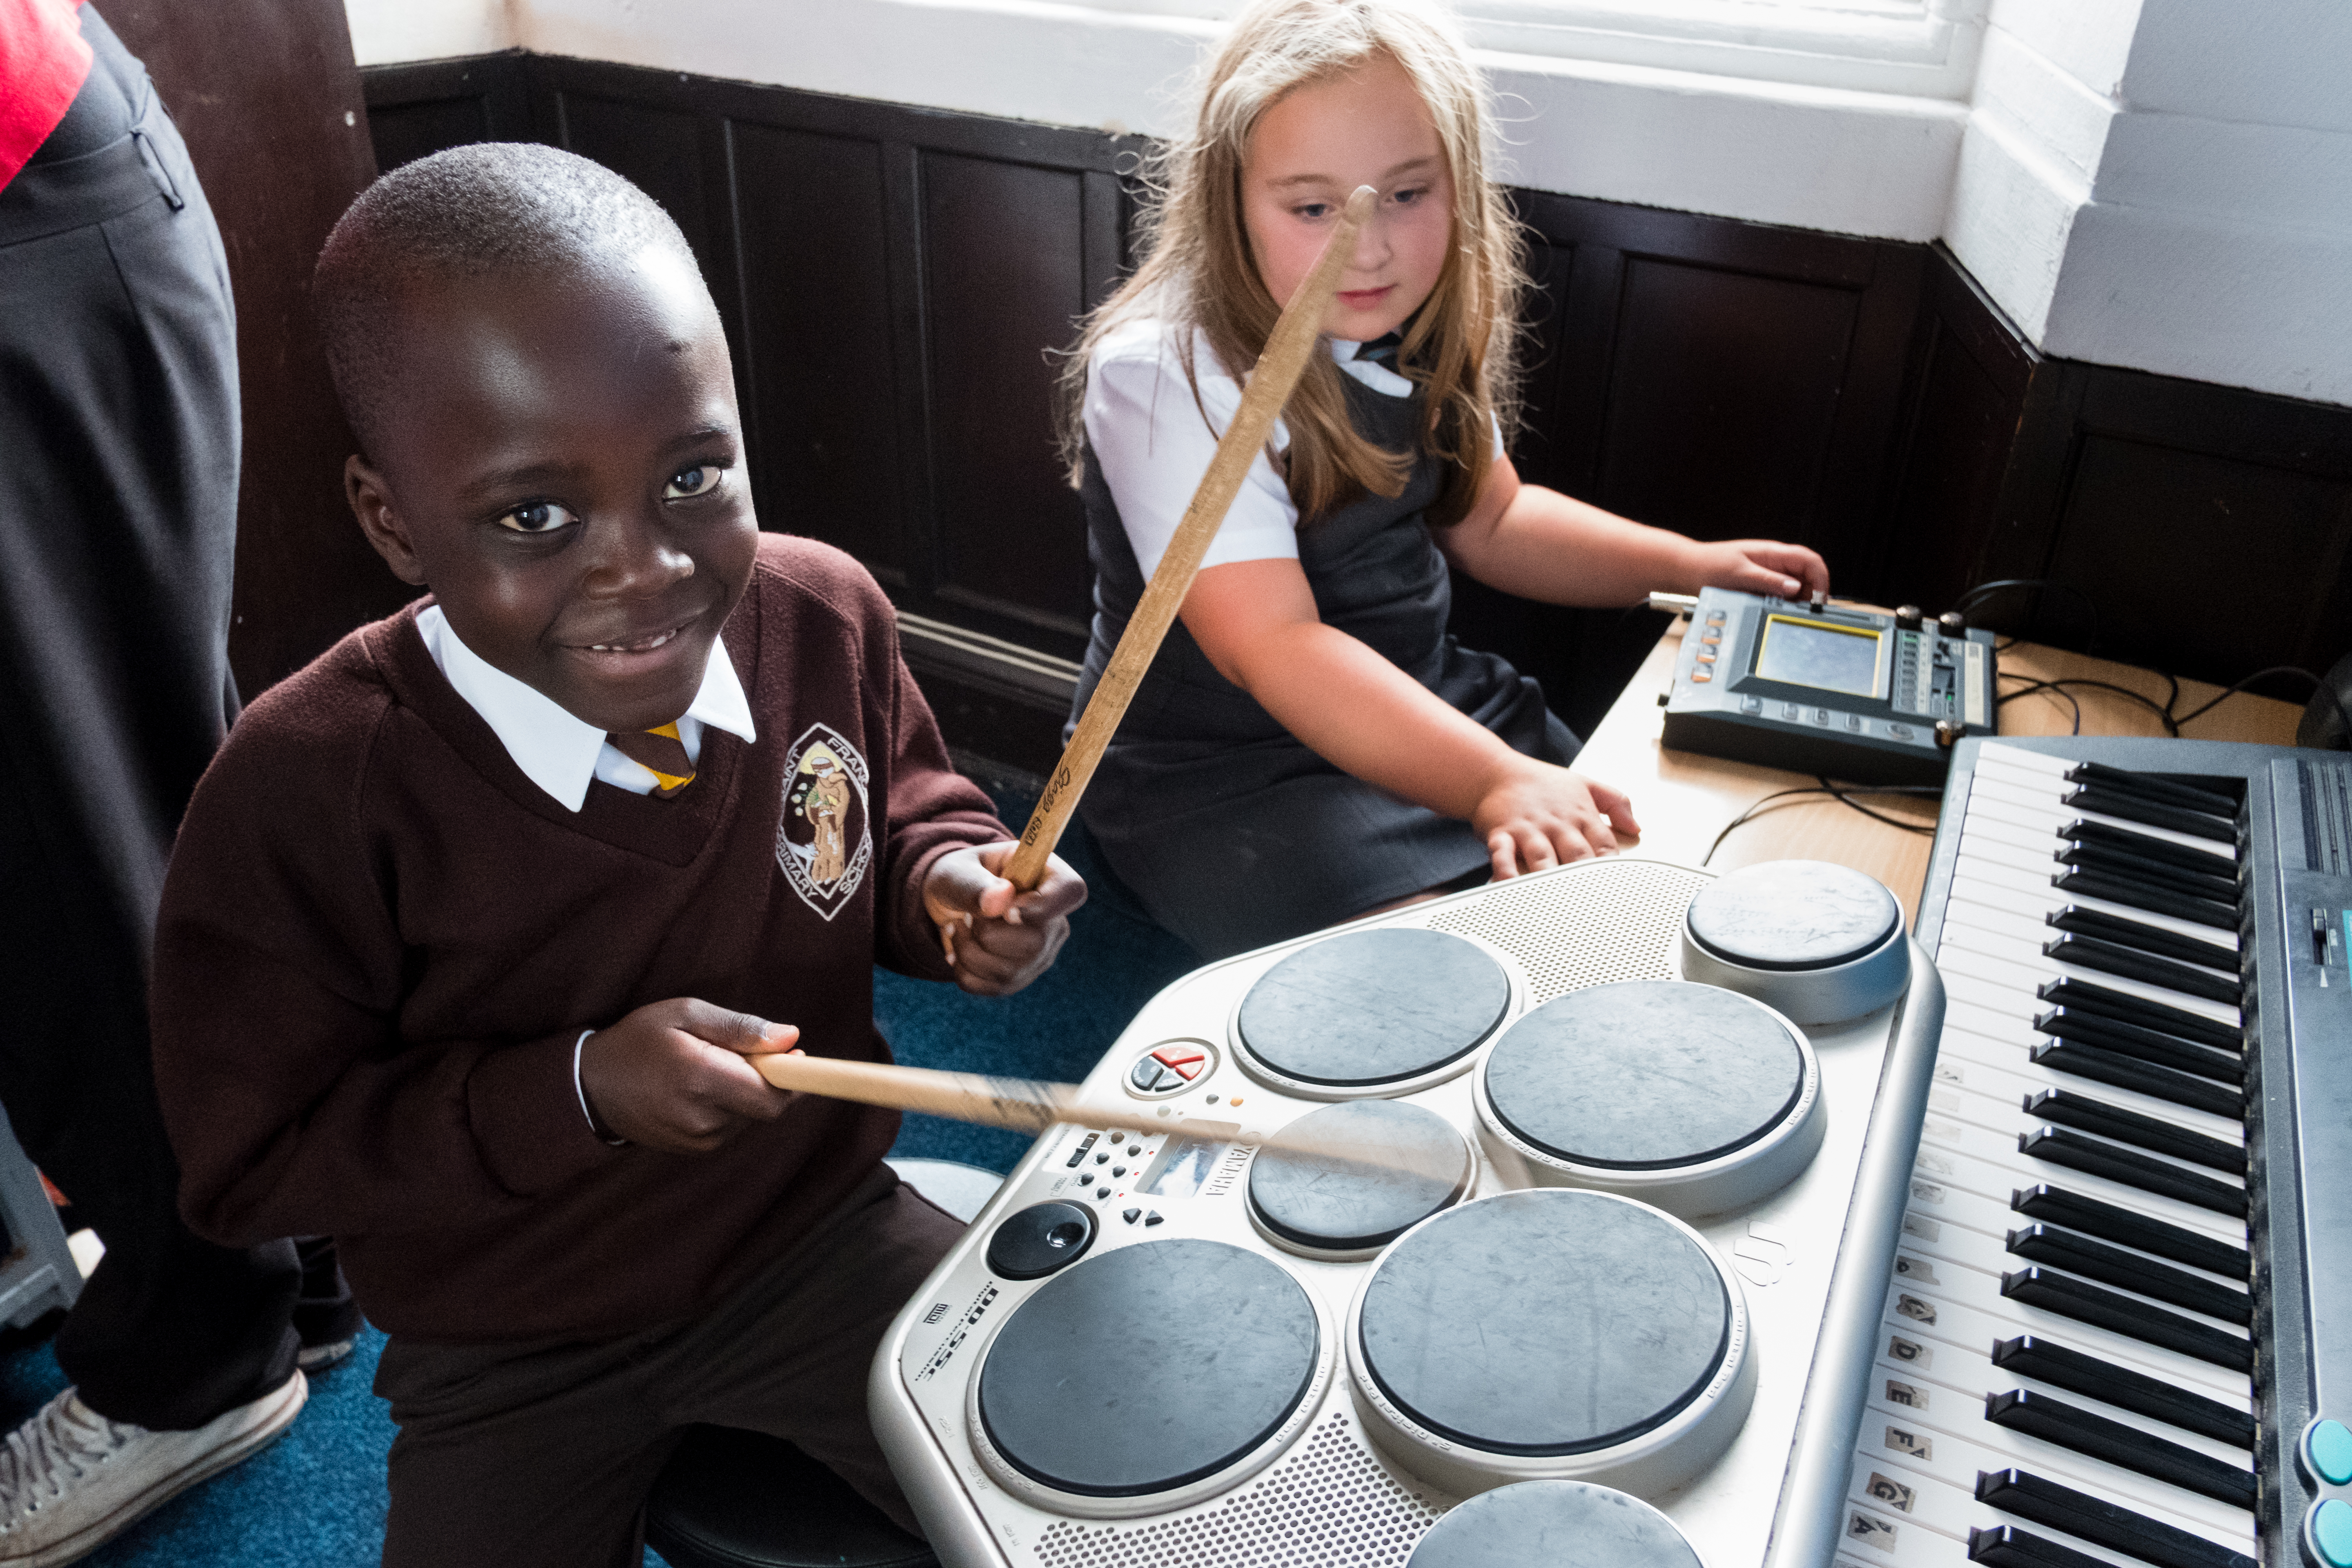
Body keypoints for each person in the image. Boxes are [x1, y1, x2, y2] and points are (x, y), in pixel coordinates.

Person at [146, 142, 1085, 1567]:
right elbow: (249, 1166)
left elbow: (891, 818)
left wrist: (950, 888)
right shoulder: (301, 790)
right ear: (394, 522)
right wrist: (578, 1093)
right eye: (537, 515)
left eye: (695, 474)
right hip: (514, 1343)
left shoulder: (820, 617)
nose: (646, 568)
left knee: (1105, 1482)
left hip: (816, 1243)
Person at [1060, 0, 1830, 959]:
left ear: (1459, 186)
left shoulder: (1408, 330)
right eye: (1314, 209)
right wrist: (1490, 782)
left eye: (1407, 195)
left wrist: (1691, 565)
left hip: (1423, 703)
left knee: (1641, 872)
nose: (1371, 244)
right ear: (1230, 203)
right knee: (1456, 967)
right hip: (1226, 777)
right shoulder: (1166, 374)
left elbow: (1496, 519)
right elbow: (1276, 645)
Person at [0, 4, 358, 1560]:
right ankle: (294, 1252)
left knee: (66, 849)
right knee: (144, 803)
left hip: (23, 220)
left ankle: (193, 1353)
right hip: (54, 189)